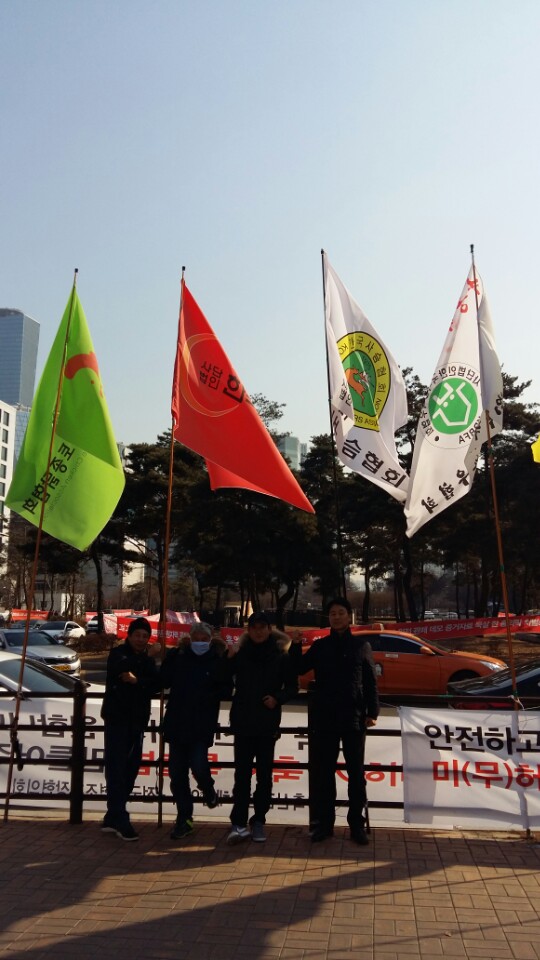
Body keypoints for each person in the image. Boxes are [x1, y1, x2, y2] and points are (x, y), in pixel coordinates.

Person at [290, 597, 379, 845]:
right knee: (324, 774)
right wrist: (296, 645)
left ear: (349, 616)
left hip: (354, 718)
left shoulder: (362, 646)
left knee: (356, 774)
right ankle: (324, 824)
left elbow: (371, 682)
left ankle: (356, 825)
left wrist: (373, 712)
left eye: (341, 613)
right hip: (325, 718)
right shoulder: (320, 647)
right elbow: (298, 668)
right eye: (332, 614)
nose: (336, 617)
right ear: (328, 618)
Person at [222, 612, 297, 845]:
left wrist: (277, 698)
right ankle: (238, 822)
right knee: (241, 776)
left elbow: (293, 686)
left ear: (269, 629)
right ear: (248, 629)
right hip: (243, 722)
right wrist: (228, 658)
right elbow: (222, 681)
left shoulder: (280, 655)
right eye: (253, 627)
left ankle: (259, 821)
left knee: (264, 776)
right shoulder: (240, 653)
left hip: (267, 723)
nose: (258, 631)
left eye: (262, 627)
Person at [160, 622, 229, 840]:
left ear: (210, 640)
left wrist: (222, 671)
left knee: (199, 765)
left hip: (201, 723)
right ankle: (184, 818)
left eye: (204, 638)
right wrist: (166, 660)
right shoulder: (178, 656)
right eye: (196, 637)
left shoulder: (217, 660)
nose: (200, 641)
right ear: (189, 638)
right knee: (177, 774)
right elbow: (163, 680)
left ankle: (208, 790)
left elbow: (226, 689)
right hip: (177, 723)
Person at [101, 617, 160, 841]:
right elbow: (121, 669)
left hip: (137, 721)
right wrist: (147, 660)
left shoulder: (145, 660)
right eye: (137, 635)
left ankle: (112, 815)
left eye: (145, 636)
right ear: (129, 635)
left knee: (131, 768)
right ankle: (120, 817)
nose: (141, 639)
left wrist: (138, 681)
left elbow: (155, 684)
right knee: (117, 768)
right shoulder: (119, 654)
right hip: (117, 721)